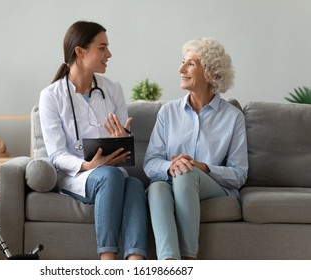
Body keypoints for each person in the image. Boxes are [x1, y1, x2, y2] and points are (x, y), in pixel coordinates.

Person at [38, 21, 148, 260]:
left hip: (113, 172)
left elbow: (124, 143)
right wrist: (88, 166)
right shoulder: (51, 96)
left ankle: (136, 261)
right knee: (110, 175)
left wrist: (123, 139)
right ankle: (107, 260)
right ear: (80, 51)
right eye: (102, 47)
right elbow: (56, 154)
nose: (109, 54)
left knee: (135, 185)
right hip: (76, 176)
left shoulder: (112, 89)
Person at [143, 37, 248, 260]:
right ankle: (170, 263)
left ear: (210, 73)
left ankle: (190, 259)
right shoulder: (167, 112)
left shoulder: (232, 117)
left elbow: (239, 175)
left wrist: (202, 167)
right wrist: (172, 165)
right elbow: (151, 163)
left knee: (186, 171)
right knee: (157, 189)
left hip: (213, 186)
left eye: (190, 64)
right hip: (173, 181)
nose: (181, 69)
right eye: (183, 62)